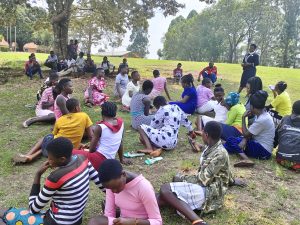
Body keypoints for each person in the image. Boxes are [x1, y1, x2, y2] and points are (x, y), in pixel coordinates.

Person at [1, 137, 102, 225]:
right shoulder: (83, 159)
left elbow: (33, 209)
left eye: (50, 159)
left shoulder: (55, 178)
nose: (48, 161)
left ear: (62, 159)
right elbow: (101, 183)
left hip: (57, 222)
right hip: (76, 220)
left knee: (5, 213)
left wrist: (38, 174)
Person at [157, 122, 237, 225]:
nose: (201, 134)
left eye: (202, 132)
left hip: (210, 191)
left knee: (165, 189)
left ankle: (198, 221)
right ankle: (141, 204)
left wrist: (183, 178)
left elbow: (203, 180)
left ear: (207, 135)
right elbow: (225, 169)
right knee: (166, 195)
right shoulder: (212, 146)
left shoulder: (220, 153)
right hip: (205, 186)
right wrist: (232, 181)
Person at [13, 98, 93, 164]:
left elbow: (54, 135)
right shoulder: (84, 116)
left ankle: (29, 155)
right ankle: (30, 156)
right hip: (68, 152)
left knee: (48, 137)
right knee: (51, 140)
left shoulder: (60, 119)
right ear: (77, 108)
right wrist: (93, 147)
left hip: (52, 151)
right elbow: (90, 136)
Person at [88, 159, 163, 225]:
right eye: (111, 189)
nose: (114, 191)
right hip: (122, 221)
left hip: (139, 223)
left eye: (116, 187)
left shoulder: (144, 187)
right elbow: (109, 215)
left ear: (123, 174)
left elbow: (157, 221)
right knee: (95, 221)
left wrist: (133, 222)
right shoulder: (112, 185)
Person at [224, 91, 275, 167]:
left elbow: (246, 134)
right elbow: (249, 134)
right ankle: (223, 145)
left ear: (252, 106)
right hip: (260, 146)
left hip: (263, 150)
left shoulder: (262, 119)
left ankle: (246, 159)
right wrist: (244, 139)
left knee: (231, 140)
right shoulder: (262, 115)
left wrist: (243, 118)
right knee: (231, 143)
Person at [73, 102, 129, 170]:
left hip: (99, 160)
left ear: (102, 113)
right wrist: (121, 159)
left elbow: (92, 150)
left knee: (71, 152)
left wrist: (86, 149)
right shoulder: (121, 123)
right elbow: (120, 142)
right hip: (109, 159)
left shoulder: (100, 127)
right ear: (115, 113)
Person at [274, 100, 300, 171]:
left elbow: (276, 137)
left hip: (281, 159)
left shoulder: (285, 119)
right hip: (297, 163)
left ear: (292, 110)